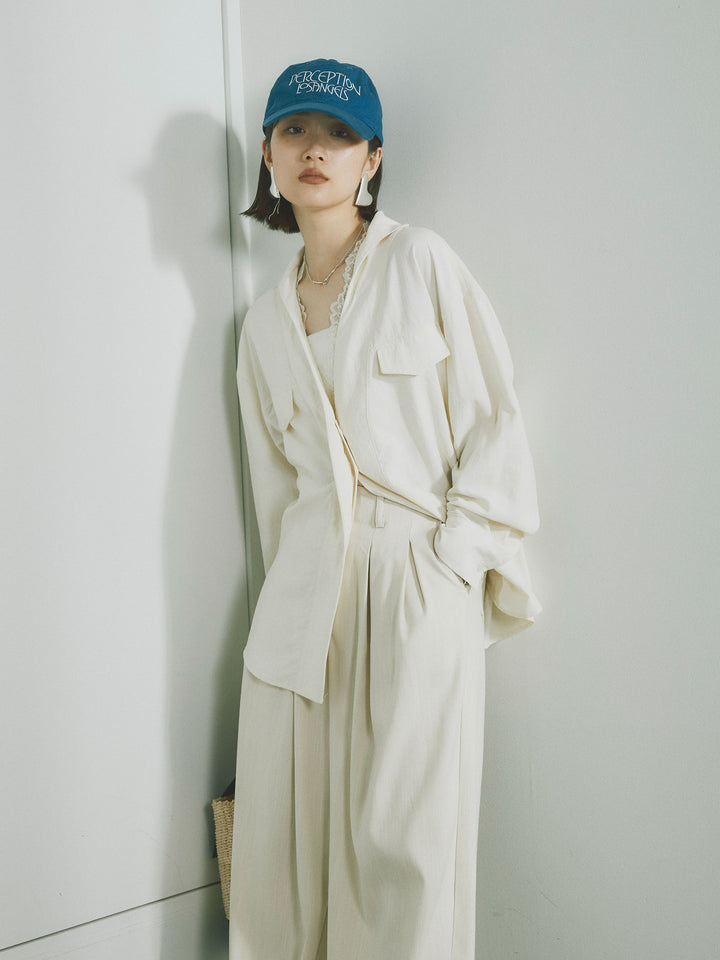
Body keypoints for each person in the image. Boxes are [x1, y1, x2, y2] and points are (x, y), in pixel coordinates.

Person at [229, 57, 540, 960]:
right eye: (294, 130)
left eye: (339, 135)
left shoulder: (419, 261)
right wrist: (289, 601)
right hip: (301, 600)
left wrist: (451, 567)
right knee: (285, 852)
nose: (314, 150)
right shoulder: (261, 323)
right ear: (267, 155)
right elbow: (273, 491)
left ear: (371, 159)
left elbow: (494, 422)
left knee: (407, 847)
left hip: (414, 574)